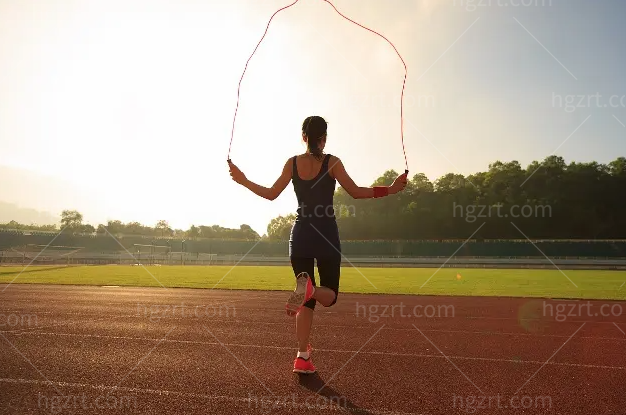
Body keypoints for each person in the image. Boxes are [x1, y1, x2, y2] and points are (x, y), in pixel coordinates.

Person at [228, 115, 408, 374]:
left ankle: (302, 356)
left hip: (300, 235)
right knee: (330, 296)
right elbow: (357, 192)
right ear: (324, 139)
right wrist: (390, 190)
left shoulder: (291, 164)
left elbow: (270, 194)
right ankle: (310, 291)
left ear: (304, 138)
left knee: (305, 302)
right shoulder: (332, 162)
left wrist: (243, 179)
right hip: (326, 236)